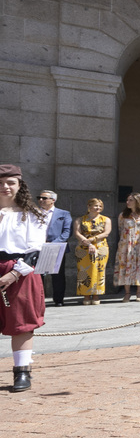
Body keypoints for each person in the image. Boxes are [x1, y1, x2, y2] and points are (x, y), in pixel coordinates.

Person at [0, 165, 47, 392]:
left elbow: (35, 249)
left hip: (20, 272)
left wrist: (14, 273)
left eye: (10, 183)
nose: (5, 187)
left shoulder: (31, 215)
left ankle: (22, 373)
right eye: (0, 183)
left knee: (21, 325)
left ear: (20, 186)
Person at [114, 193, 140, 302]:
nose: (128, 202)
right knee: (126, 267)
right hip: (126, 245)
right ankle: (127, 293)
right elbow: (121, 228)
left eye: (130, 200)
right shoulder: (123, 215)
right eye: (127, 200)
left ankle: (139, 293)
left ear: (137, 201)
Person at [73, 198, 111, 305]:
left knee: (99, 270)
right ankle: (85, 295)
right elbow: (77, 233)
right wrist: (87, 242)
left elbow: (106, 233)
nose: (98, 208)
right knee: (84, 271)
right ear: (89, 207)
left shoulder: (106, 219)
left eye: (100, 206)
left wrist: (92, 240)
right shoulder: (80, 219)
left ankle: (96, 295)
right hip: (83, 247)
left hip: (100, 247)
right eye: (96, 206)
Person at [37, 191, 71, 307]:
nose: (41, 200)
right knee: (37, 275)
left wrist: (53, 243)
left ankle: (58, 300)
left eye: (44, 198)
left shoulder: (64, 213)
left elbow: (67, 232)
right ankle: (38, 300)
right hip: (37, 247)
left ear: (53, 200)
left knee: (58, 276)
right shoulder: (34, 213)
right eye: (39, 198)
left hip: (56, 248)